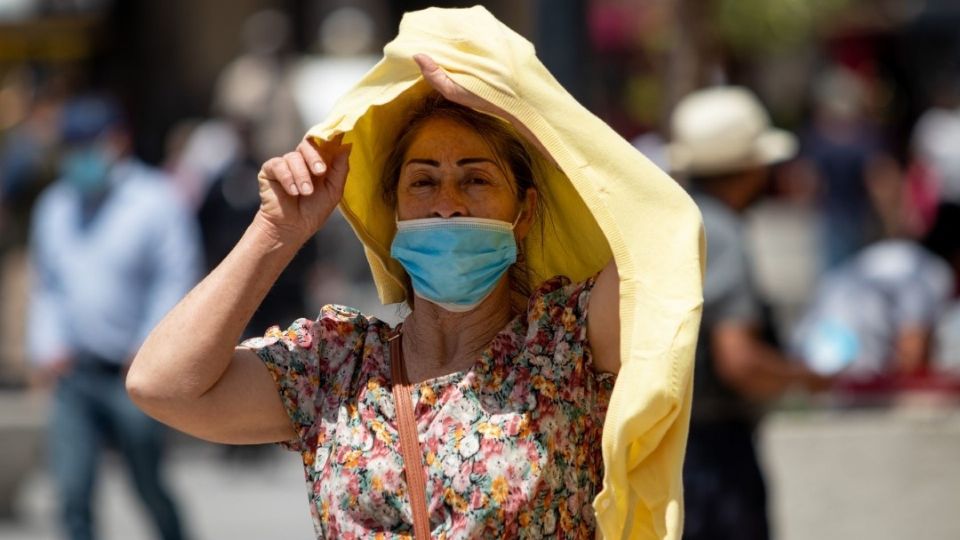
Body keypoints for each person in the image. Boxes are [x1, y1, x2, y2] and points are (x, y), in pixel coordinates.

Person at [127, 6, 705, 539]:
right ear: (395, 214)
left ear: (523, 212)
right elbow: (161, 385)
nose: (447, 203)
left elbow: (668, 234)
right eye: (423, 182)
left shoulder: (567, 344)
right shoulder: (339, 369)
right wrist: (276, 232)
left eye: (476, 180)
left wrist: (527, 113)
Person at [27, 94, 198, 540]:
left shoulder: (156, 200)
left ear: (117, 141)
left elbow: (176, 279)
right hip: (76, 374)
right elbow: (48, 286)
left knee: (148, 485)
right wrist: (47, 344)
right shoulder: (55, 206)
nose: (79, 157)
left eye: (89, 144)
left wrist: (148, 345)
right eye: (72, 146)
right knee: (71, 489)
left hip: (135, 374)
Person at [668, 86, 828, 540]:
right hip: (711, 451)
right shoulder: (722, 232)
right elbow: (738, 361)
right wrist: (805, 378)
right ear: (752, 167)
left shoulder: (677, 216)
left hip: (668, 446)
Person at [792, 203, 960, 383]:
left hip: (806, 347)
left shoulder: (897, 254)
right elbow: (913, 349)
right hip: (853, 365)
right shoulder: (932, 271)